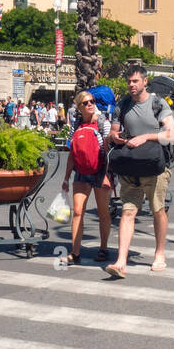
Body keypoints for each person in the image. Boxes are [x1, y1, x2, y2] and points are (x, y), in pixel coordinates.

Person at [107, 66, 174, 278]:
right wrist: (115, 137)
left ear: (145, 82)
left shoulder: (158, 104)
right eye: (129, 81)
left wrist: (146, 137)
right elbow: (113, 132)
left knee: (158, 210)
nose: (131, 85)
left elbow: (172, 134)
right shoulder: (123, 104)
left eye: (135, 81)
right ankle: (121, 261)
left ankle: (159, 253)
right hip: (131, 165)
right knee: (128, 211)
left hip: (155, 168)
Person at [60, 90, 112, 265]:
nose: (90, 105)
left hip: (100, 172)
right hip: (81, 172)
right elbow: (72, 153)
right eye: (85, 103)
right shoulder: (76, 124)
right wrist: (66, 178)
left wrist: (108, 175)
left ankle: (103, 248)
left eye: (92, 101)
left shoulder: (103, 122)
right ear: (78, 107)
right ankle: (75, 253)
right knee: (77, 211)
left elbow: (109, 151)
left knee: (103, 212)